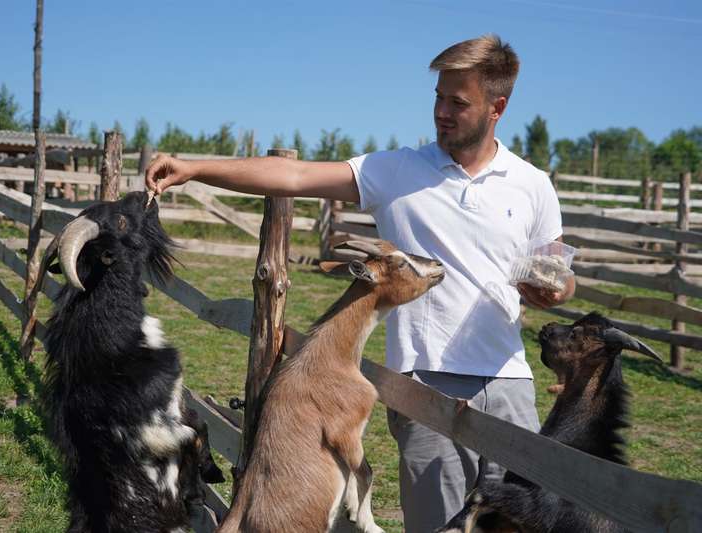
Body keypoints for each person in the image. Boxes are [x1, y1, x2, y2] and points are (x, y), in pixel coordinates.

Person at [146, 34, 574, 532]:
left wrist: (558, 290)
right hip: (427, 385)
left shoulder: (532, 184)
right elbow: (294, 176)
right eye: (438, 97)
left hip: (509, 382)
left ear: (497, 107)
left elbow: (556, 271)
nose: (442, 111)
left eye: (459, 102)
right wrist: (196, 168)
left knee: (522, 523)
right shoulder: (397, 171)